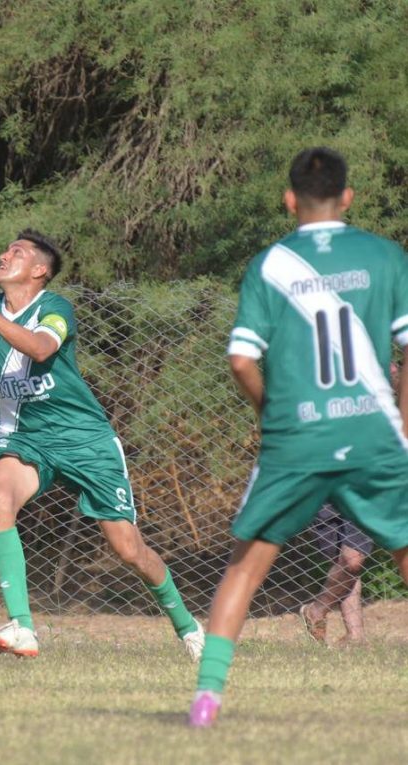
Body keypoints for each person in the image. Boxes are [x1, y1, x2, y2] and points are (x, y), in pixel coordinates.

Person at [0, 232, 205, 660]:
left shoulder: (55, 307)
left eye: (17, 252)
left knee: (128, 549)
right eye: (6, 249)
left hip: (85, 440)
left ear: (39, 270)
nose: (4, 254)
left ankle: (189, 628)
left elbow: (41, 348)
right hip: (24, 438)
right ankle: (23, 628)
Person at [189, 147, 408, 727]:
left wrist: (274, 414)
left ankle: (207, 702)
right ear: (348, 197)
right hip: (372, 431)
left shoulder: (269, 263)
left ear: (289, 200)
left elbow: (240, 360)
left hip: (297, 436)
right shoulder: (387, 257)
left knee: (245, 568)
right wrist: (402, 424)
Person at [299, 504, 372, 645]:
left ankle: (316, 611)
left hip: (362, 490)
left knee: (353, 560)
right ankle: (355, 636)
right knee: (341, 562)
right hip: (324, 491)